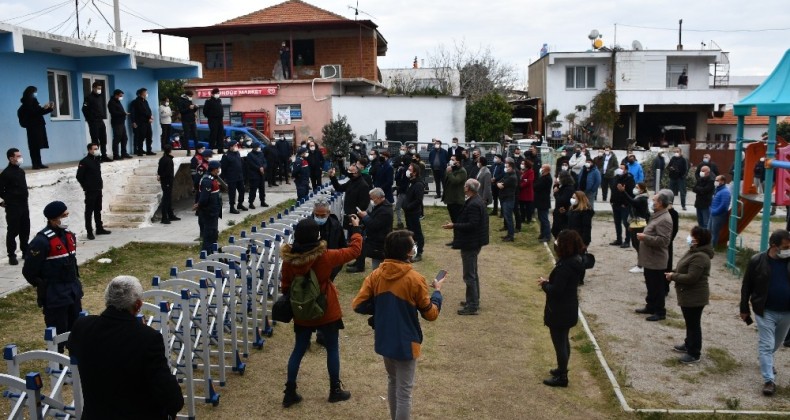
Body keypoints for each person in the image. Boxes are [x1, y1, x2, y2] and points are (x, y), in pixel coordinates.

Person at [352, 230, 444, 419]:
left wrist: (382, 308)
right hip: (406, 342)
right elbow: (431, 314)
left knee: (393, 381)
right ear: (408, 252)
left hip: (385, 338)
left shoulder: (376, 275)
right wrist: (437, 293)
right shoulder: (415, 279)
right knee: (404, 393)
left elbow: (358, 305)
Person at [67, 276, 184, 419]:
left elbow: (74, 351)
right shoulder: (148, 338)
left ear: (107, 300)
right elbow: (168, 393)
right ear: (138, 305)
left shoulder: (82, 327)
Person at [280, 217, 362, 407]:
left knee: (299, 349)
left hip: (302, 311)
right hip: (326, 309)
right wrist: (357, 230)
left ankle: (290, 391)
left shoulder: (289, 260)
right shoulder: (325, 256)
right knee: (332, 348)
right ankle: (335, 390)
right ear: (317, 236)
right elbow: (354, 251)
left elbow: (285, 287)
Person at [22, 201, 82, 353]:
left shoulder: (69, 236)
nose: (67, 217)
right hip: (55, 296)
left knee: (76, 333)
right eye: (64, 215)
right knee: (58, 334)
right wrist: (43, 286)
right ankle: (59, 366)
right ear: (54, 219)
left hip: (72, 292)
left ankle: (74, 366)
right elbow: (29, 271)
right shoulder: (41, 241)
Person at [740, 229, 790, 396]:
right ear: (774, 246)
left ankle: (765, 360)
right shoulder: (757, 260)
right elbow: (746, 285)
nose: (788, 249)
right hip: (765, 310)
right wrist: (744, 308)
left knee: (776, 343)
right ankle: (769, 380)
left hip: (787, 312)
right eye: (785, 246)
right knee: (766, 345)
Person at [538, 229, 585, 387]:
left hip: (559, 311)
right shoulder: (575, 261)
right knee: (564, 340)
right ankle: (561, 368)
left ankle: (562, 377)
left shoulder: (565, 266)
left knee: (560, 343)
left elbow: (556, 291)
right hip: (569, 307)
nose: (555, 242)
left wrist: (545, 284)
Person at [665, 226, 713, 364]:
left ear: (698, 239)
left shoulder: (701, 257)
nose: (689, 238)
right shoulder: (693, 252)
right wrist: (673, 272)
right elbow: (684, 268)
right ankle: (688, 344)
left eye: (692, 236)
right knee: (690, 322)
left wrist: (674, 276)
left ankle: (694, 352)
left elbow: (692, 277)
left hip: (695, 296)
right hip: (687, 294)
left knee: (693, 324)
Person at [443, 178, 489, 315]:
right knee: (473, 273)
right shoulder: (476, 200)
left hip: (471, 243)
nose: (463, 187)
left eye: (465, 185)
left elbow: (472, 225)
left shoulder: (474, 204)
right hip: (473, 242)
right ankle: (473, 300)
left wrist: (454, 225)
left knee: (469, 275)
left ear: (468, 188)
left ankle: (472, 305)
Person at [635, 189, 674, 321]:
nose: (652, 202)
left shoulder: (665, 219)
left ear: (661, 203)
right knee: (650, 284)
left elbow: (664, 241)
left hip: (656, 259)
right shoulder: (657, 215)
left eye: (655, 200)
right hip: (650, 259)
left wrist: (645, 237)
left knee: (657, 286)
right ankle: (650, 306)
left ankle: (660, 311)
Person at [0, 148, 30, 265]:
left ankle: (25, 250)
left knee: (25, 229)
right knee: (13, 231)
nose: (20, 158)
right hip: (13, 207)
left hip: (24, 205)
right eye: (18, 156)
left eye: (20, 155)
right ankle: (12, 255)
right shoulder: (6, 173)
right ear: (11, 158)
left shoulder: (21, 171)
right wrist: (6, 200)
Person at [76, 143, 111, 240]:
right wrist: (86, 186)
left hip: (98, 188)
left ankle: (99, 228)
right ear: (89, 150)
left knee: (98, 209)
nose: (96, 150)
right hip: (90, 190)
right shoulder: (84, 161)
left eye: (97, 148)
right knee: (89, 211)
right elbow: (79, 176)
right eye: (94, 149)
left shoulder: (96, 160)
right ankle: (89, 231)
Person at [357, 188, 393, 270]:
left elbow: (374, 225)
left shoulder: (385, 210)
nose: (371, 200)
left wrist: (365, 217)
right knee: (376, 262)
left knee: (378, 266)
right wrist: (367, 214)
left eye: (372, 198)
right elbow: (374, 217)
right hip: (376, 241)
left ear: (379, 197)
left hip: (380, 242)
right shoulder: (380, 206)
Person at [18, 86, 53, 169]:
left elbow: (39, 112)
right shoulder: (27, 103)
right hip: (32, 126)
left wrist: (49, 108)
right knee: (34, 145)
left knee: (38, 145)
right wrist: (43, 108)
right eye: (34, 92)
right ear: (30, 92)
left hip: (39, 125)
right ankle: (35, 164)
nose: (36, 93)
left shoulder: (34, 101)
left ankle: (39, 163)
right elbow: (33, 113)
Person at [195, 160, 222, 254]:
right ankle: (206, 253)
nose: (219, 170)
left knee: (213, 233)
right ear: (214, 169)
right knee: (209, 234)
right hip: (209, 212)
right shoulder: (207, 181)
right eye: (218, 168)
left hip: (214, 211)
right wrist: (199, 205)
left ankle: (212, 250)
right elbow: (204, 199)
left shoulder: (212, 178)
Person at [82, 81, 111, 162]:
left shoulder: (100, 97)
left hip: (100, 121)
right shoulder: (88, 97)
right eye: (98, 88)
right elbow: (84, 109)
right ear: (93, 88)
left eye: (100, 88)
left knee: (103, 139)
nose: (99, 90)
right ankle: (97, 157)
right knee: (95, 140)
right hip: (93, 121)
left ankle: (104, 155)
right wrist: (89, 120)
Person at [402, 163, 425, 262]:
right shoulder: (411, 182)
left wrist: (408, 206)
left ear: (415, 172)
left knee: (417, 233)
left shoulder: (418, 184)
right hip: (408, 212)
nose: (408, 171)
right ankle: (411, 251)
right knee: (410, 232)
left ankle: (419, 252)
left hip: (414, 212)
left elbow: (418, 200)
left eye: (410, 170)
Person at [625, 182, 650, 270]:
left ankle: (641, 265)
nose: (635, 189)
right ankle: (641, 263)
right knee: (635, 244)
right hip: (635, 223)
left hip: (640, 224)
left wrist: (623, 191)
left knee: (638, 244)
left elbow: (632, 202)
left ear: (642, 189)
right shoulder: (638, 197)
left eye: (637, 187)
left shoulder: (642, 199)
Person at [610, 165, 635, 247]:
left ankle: (627, 241)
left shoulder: (629, 179)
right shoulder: (615, 178)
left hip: (625, 205)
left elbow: (631, 193)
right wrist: (612, 200)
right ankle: (618, 239)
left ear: (626, 170)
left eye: (622, 168)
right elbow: (613, 190)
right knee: (617, 222)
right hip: (615, 204)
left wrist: (626, 203)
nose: (619, 170)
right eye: (619, 168)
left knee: (626, 223)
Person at [220, 140, 246, 213]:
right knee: (232, 193)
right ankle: (232, 207)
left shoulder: (237, 153)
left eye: (236, 145)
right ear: (230, 147)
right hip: (231, 177)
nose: (236, 147)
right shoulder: (226, 156)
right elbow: (223, 168)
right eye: (235, 146)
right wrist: (223, 178)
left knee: (242, 190)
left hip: (239, 176)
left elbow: (240, 164)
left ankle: (240, 204)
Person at [156, 145, 180, 224]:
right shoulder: (168, 160)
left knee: (168, 198)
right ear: (170, 150)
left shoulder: (163, 159)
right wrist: (162, 176)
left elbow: (159, 170)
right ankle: (164, 217)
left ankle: (170, 215)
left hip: (165, 181)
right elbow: (167, 172)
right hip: (167, 181)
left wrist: (160, 176)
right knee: (166, 199)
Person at [130, 88, 155, 156]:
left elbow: (148, 110)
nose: (146, 93)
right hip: (141, 122)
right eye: (145, 92)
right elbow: (141, 112)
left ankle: (149, 150)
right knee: (141, 137)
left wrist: (150, 117)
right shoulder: (136, 102)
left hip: (147, 122)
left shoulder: (145, 101)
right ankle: (139, 151)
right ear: (141, 93)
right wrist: (133, 121)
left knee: (149, 136)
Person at [443, 154, 467, 224]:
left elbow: (455, 181)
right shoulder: (452, 169)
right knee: (453, 220)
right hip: (450, 199)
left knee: (458, 220)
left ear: (458, 162)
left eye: (453, 160)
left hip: (457, 200)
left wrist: (449, 172)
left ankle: (459, 234)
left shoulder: (462, 171)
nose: (450, 161)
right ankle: (456, 234)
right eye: (450, 159)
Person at [107, 89, 131, 160]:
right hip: (116, 123)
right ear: (116, 95)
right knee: (117, 138)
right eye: (120, 96)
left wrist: (123, 113)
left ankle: (124, 153)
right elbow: (114, 113)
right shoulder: (111, 102)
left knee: (124, 138)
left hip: (121, 122)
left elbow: (120, 110)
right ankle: (116, 155)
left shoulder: (118, 102)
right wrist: (124, 113)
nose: (121, 97)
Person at [708, 175, 731, 248]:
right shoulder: (718, 190)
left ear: (722, 181)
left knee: (715, 232)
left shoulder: (725, 192)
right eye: (716, 180)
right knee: (709, 230)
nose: (715, 182)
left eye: (717, 180)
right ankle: (708, 246)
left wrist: (715, 211)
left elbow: (724, 205)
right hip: (713, 214)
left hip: (718, 215)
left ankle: (712, 247)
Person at [551, 171, 575, 239]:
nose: (557, 179)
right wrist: (556, 185)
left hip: (563, 212)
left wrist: (556, 193)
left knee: (561, 231)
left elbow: (562, 200)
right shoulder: (561, 186)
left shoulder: (568, 188)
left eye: (559, 177)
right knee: (554, 230)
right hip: (558, 212)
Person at [498, 159, 518, 242]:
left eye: (507, 167)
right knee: (507, 217)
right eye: (505, 166)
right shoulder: (507, 175)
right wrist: (499, 183)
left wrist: (499, 184)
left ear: (512, 168)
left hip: (508, 199)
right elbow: (499, 182)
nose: (506, 168)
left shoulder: (512, 177)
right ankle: (509, 234)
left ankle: (511, 235)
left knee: (509, 218)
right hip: (505, 198)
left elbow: (502, 184)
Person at [245, 141, 268, 208]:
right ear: (255, 148)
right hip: (254, 175)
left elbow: (265, 162)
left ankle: (262, 201)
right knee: (253, 189)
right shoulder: (250, 155)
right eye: (258, 147)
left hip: (262, 174)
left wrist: (263, 167)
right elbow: (251, 164)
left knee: (262, 189)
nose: (259, 148)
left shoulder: (261, 153)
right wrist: (259, 168)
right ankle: (251, 202)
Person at [534, 164, 553, 243]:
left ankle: (547, 235)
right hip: (540, 200)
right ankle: (542, 233)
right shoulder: (542, 177)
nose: (541, 168)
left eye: (542, 167)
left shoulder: (546, 178)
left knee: (544, 219)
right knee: (541, 218)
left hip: (543, 201)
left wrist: (534, 185)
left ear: (546, 169)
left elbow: (536, 186)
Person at [203, 88, 225, 153]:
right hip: (213, 120)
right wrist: (210, 116)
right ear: (212, 94)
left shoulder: (219, 100)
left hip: (220, 120)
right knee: (213, 135)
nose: (218, 94)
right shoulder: (208, 101)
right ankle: (210, 149)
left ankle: (220, 149)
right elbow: (205, 111)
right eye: (216, 93)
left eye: (218, 93)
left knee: (220, 135)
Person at [178, 90, 198, 156]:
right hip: (185, 121)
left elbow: (192, 110)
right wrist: (189, 108)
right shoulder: (181, 101)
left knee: (195, 135)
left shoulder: (190, 101)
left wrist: (195, 108)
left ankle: (197, 150)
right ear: (187, 95)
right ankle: (188, 151)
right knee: (186, 136)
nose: (191, 97)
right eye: (190, 96)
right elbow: (182, 111)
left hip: (192, 120)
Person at [518, 159, 535, 224]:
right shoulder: (521, 171)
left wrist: (521, 185)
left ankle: (528, 219)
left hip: (527, 192)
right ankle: (522, 218)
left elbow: (529, 181)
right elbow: (521, 180)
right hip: (521, 192)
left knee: (528, 207)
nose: (522, 165)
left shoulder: (531, 171)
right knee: (521, 207)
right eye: (521, 163)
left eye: (523, 164)